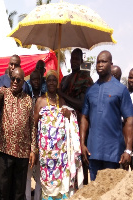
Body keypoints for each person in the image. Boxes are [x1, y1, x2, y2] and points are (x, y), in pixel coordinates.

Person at [80, 50, 133, 181]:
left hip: (114, 152)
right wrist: (82, 143)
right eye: (98, 62)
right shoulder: (91, 90)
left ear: (111, 64)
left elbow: (129, 120)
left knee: (111, 192)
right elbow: (84, 117)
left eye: (103, 61)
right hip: (93, 151)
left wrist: (128, 150)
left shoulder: (121, 90)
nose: (100, 64)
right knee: (94, 191)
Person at [0, 67, 37, 200]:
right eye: (13, 79)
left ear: (23, 82)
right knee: (3, 189)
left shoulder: (28, 99)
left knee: (18, 192)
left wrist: (33, 149)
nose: (15, 81)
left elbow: (32, 125)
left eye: (18, 80)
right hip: (4, 150)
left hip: (22, 152)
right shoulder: (4, 92)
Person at [34, 70, 83, 200]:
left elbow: (70, 118)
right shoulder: (40, 101)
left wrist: (68, 114)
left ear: (57, 83)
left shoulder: (61, 101)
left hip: (60, 152)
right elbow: (33, 124)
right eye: (49, 80)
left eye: (54, 80)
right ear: (46, 82)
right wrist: (34, 147)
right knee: (46, 180)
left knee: (61, 180)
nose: (51, 82)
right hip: (46, 152)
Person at [57, 48, 93, 185]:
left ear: (82, 61)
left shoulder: (86, 79)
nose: (73, 61)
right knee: (66, 156)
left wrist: (63, 95)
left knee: (81, 156)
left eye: (77, 59)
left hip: (79, 123)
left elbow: (82, 103)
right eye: (72, 58)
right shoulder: (65, 79)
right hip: (65, 123)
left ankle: (84, 186)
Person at [25, 70, 42, 200]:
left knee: (39, 175)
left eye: (38, 79)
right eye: (34, 79)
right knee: (27, 174)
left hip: (42, 142)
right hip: (28, 142)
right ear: (30, 81)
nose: (36, 82)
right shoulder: (26, 97)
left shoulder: (45, 99)